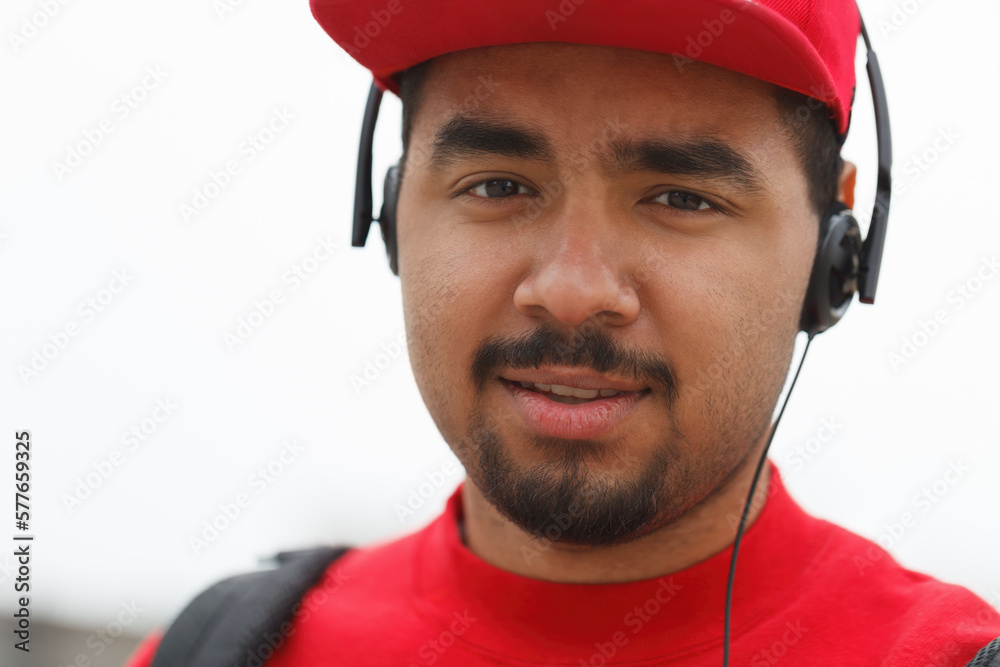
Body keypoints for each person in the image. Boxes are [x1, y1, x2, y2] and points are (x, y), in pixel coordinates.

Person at [125, 0, 1000, 665]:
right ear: (391, 214)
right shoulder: (223, 648)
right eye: (498, 185)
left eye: (682, 197)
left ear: (834, 249)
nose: (572, 292)